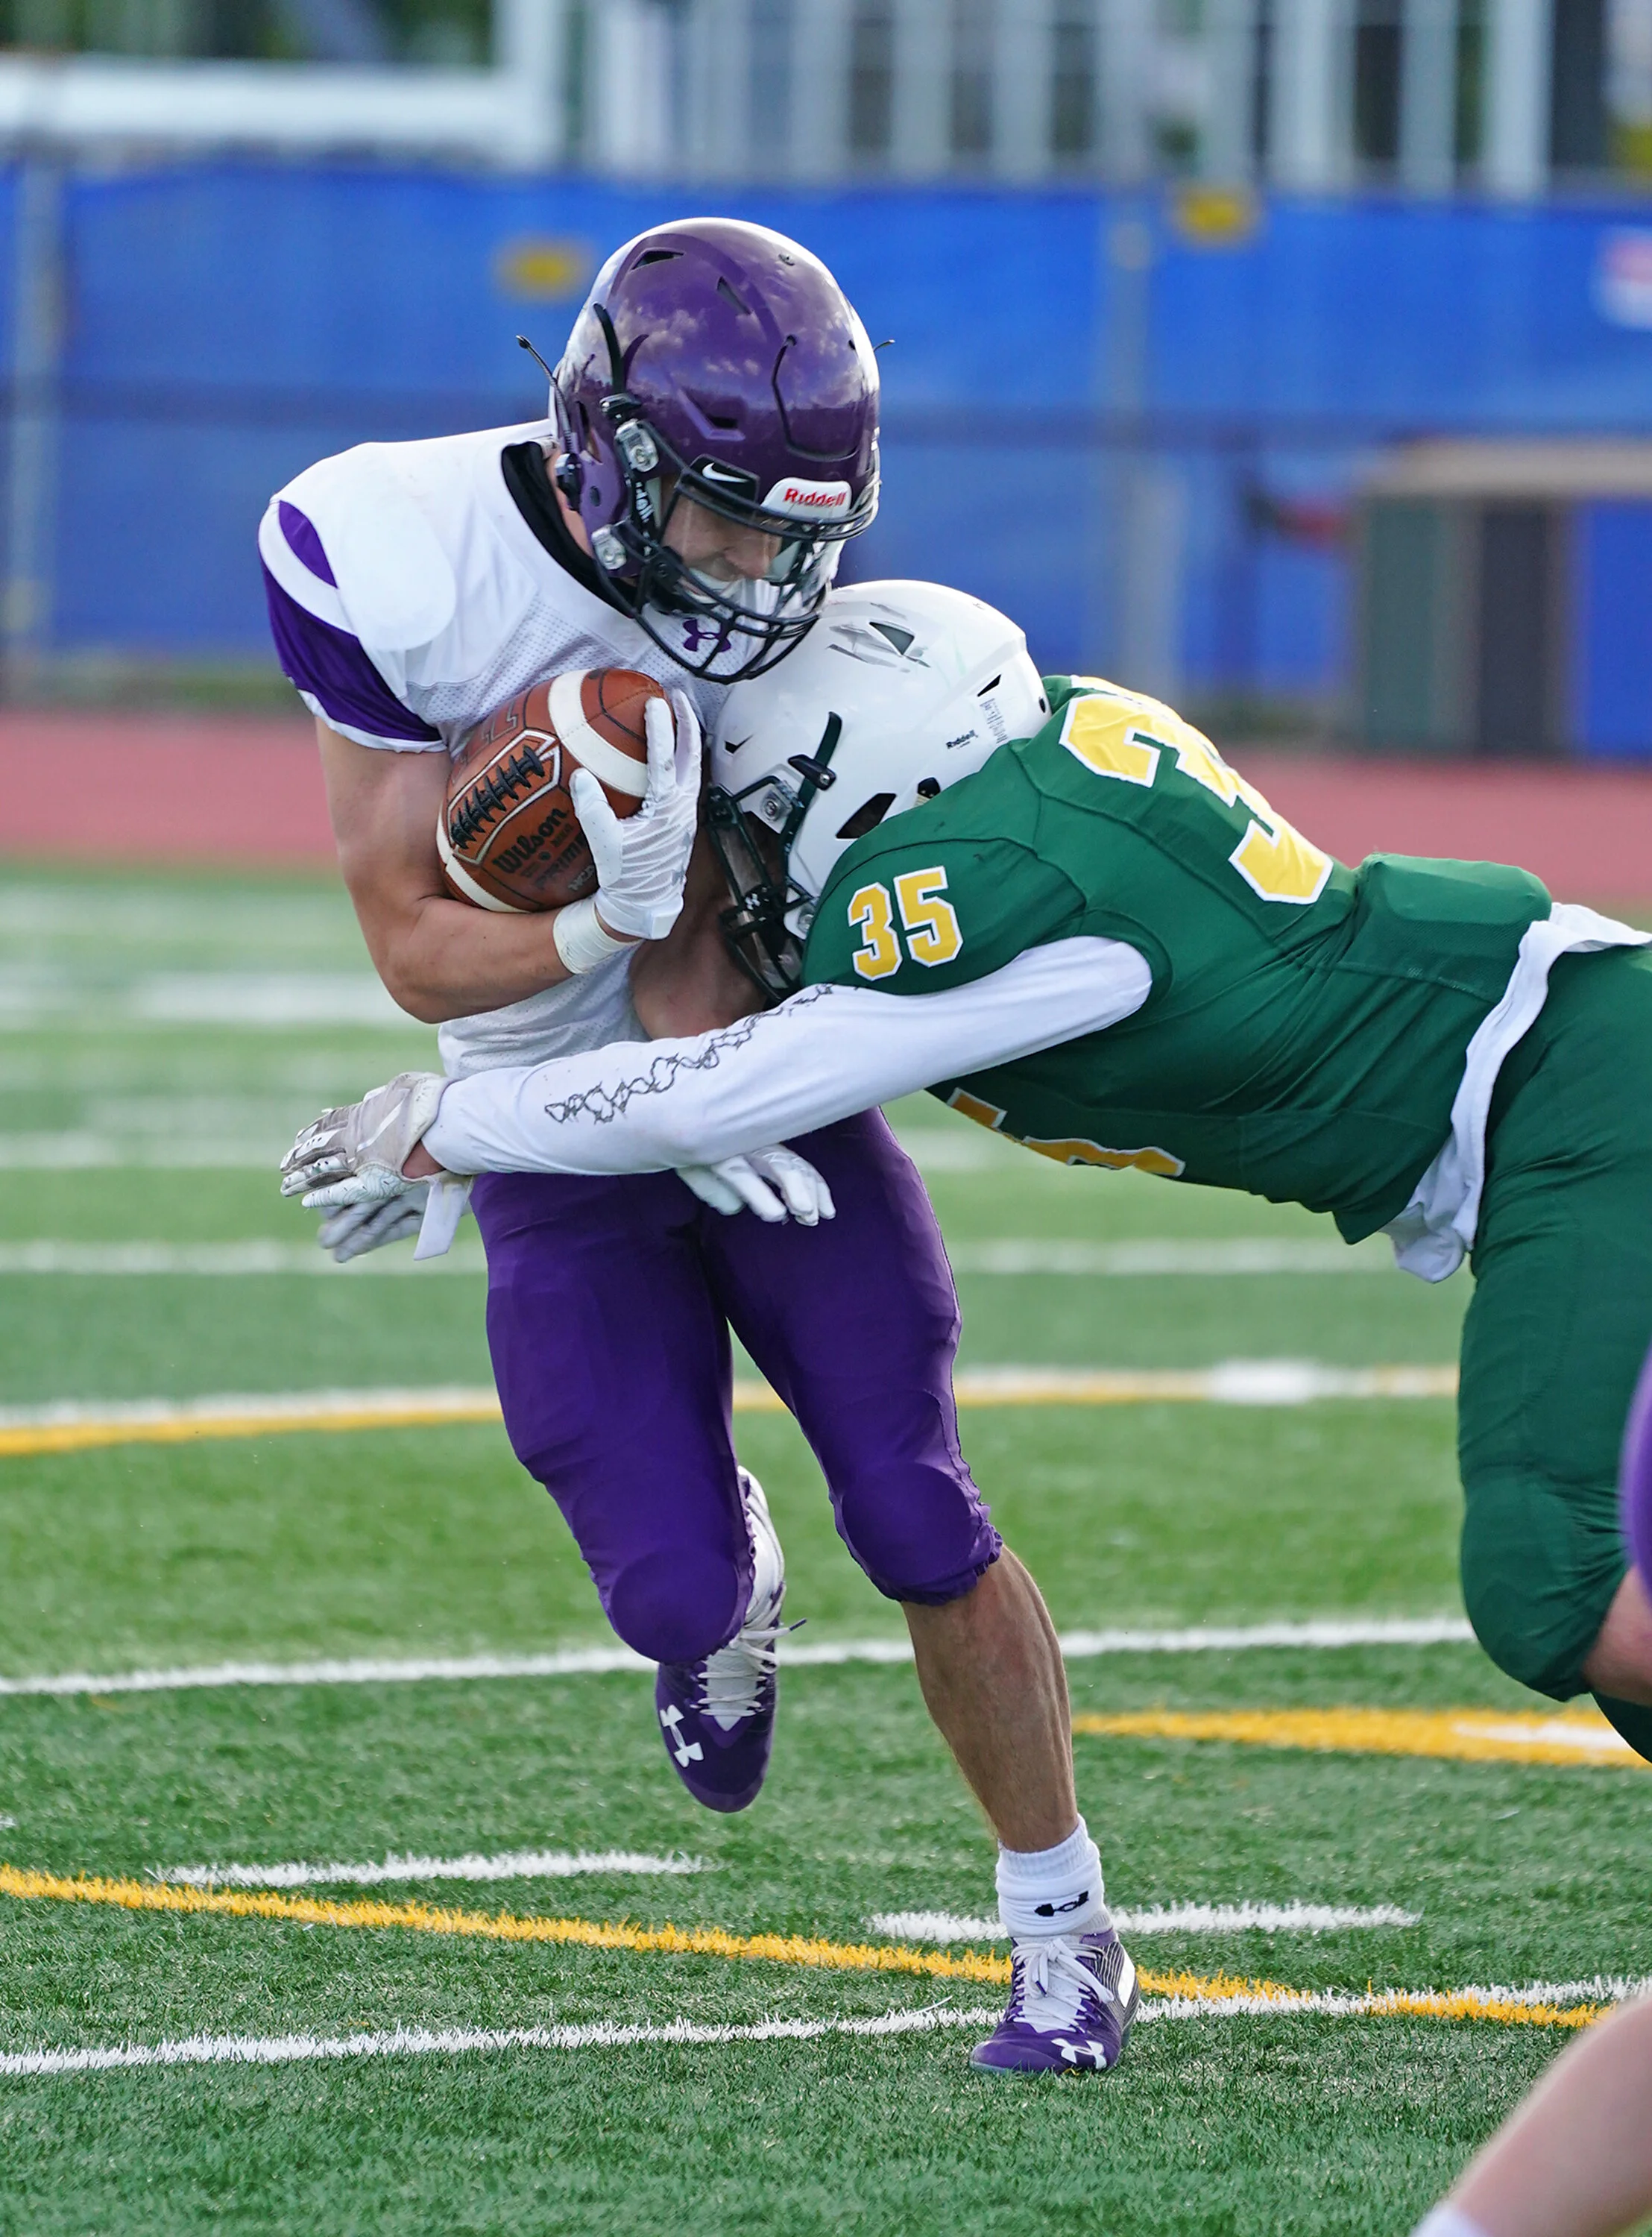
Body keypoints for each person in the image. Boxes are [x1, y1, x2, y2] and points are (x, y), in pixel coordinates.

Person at [286, 582, 1652, 1788]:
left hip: (1582, 1107)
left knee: (1552, 1584)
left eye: (761, 828)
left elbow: (727, 1087)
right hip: (1569, 1077)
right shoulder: (1028, 765)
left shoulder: (992, 885)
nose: (749, 870)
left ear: (862, 799)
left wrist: (444, 1123)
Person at [269, 245, 1135, 2077]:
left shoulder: (808, 609)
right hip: (533, 1111)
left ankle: (1067, 1932)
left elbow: (765, 913)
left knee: (915, 1506)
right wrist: (600, 933)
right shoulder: (391, 554)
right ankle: (721, 1592)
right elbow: (419, 950)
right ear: (610, 450)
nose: (766, 579)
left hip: (762, 1067)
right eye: (729, 528)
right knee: (668, 1591)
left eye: (794, 535)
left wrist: (696, 1039)